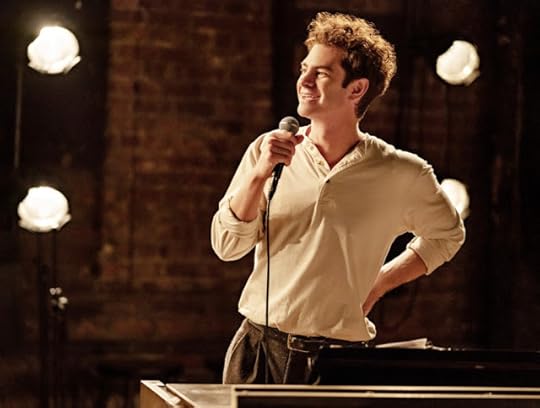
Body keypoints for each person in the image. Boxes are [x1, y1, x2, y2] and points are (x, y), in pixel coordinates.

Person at [211, 11, 465, 384]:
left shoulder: (401, 172)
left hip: (338, 361)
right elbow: (227, 247)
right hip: (258, 349)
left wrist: (380, 282)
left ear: (356, 89)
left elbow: (448, 235)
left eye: (321, 73)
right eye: (304, 69)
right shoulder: (267, 151)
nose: (304, 81)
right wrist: (258, 174)